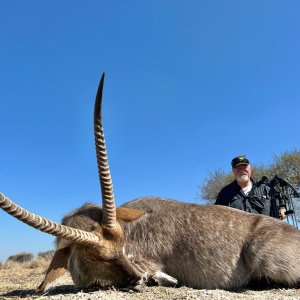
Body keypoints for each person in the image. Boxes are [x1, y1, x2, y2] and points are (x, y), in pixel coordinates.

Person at [215, 155, 286, 218]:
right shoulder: (224, 193)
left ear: (250, 168)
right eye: (238, 168)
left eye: (244, 167)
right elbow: (217, 215)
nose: (242, 170)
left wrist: (282, 208)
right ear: (233, 171)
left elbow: (280, 203)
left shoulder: (266, 189)